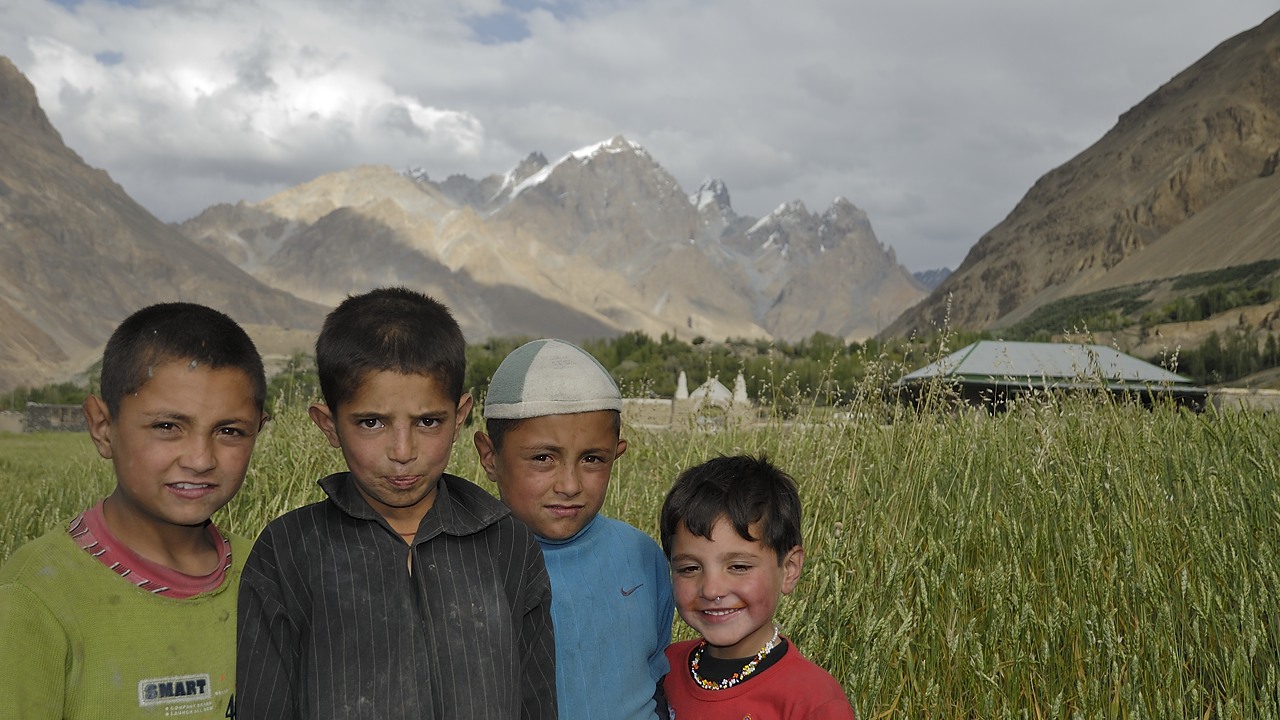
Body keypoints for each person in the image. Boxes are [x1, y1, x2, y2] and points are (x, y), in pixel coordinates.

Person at [236, 287, 556, 720]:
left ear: (459, 417)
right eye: (371, 422)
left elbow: (536, 703)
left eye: (428, 421)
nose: (403, 450)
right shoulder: (288, 552)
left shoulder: (507, 546)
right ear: (329, 426)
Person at [0, 302, 268, 719]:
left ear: (258, 431)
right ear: (102, 428)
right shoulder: (35, 598)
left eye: (229, 431)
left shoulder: (267, 575)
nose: (200, 459)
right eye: (167, 427)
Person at [473, 338, 674, 720]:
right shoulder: (463, 563)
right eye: (543, 458)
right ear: (489, 455)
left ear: (617, 452)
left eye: (592, 459)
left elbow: (655, 677)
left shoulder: (642, 557)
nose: (569, 484)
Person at [658, 454, 856, 719]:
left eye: (739, 567)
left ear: (789, 569)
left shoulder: (813, 701)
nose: (712, 590)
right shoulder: (663, 669)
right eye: (689, 569)